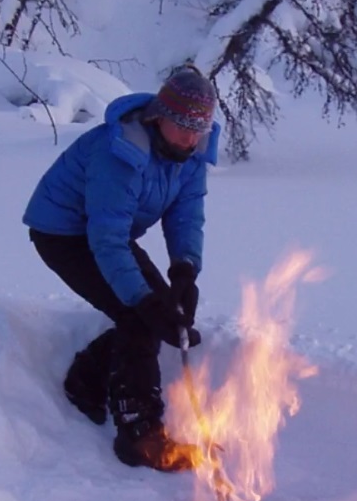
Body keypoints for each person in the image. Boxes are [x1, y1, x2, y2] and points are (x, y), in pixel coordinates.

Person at [23, 65, 220, 472]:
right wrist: (142, 301)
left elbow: (186, 215)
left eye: (198, 129)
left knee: (161, 309)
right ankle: (139, 434)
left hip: (109, 233)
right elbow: (107, 239)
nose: (190, 139)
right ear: (160, 117)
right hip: (63, 233)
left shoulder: (191, 155)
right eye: (183, 127)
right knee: (138, 314)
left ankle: (86, 379)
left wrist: (185, 270)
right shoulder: (120, 152)